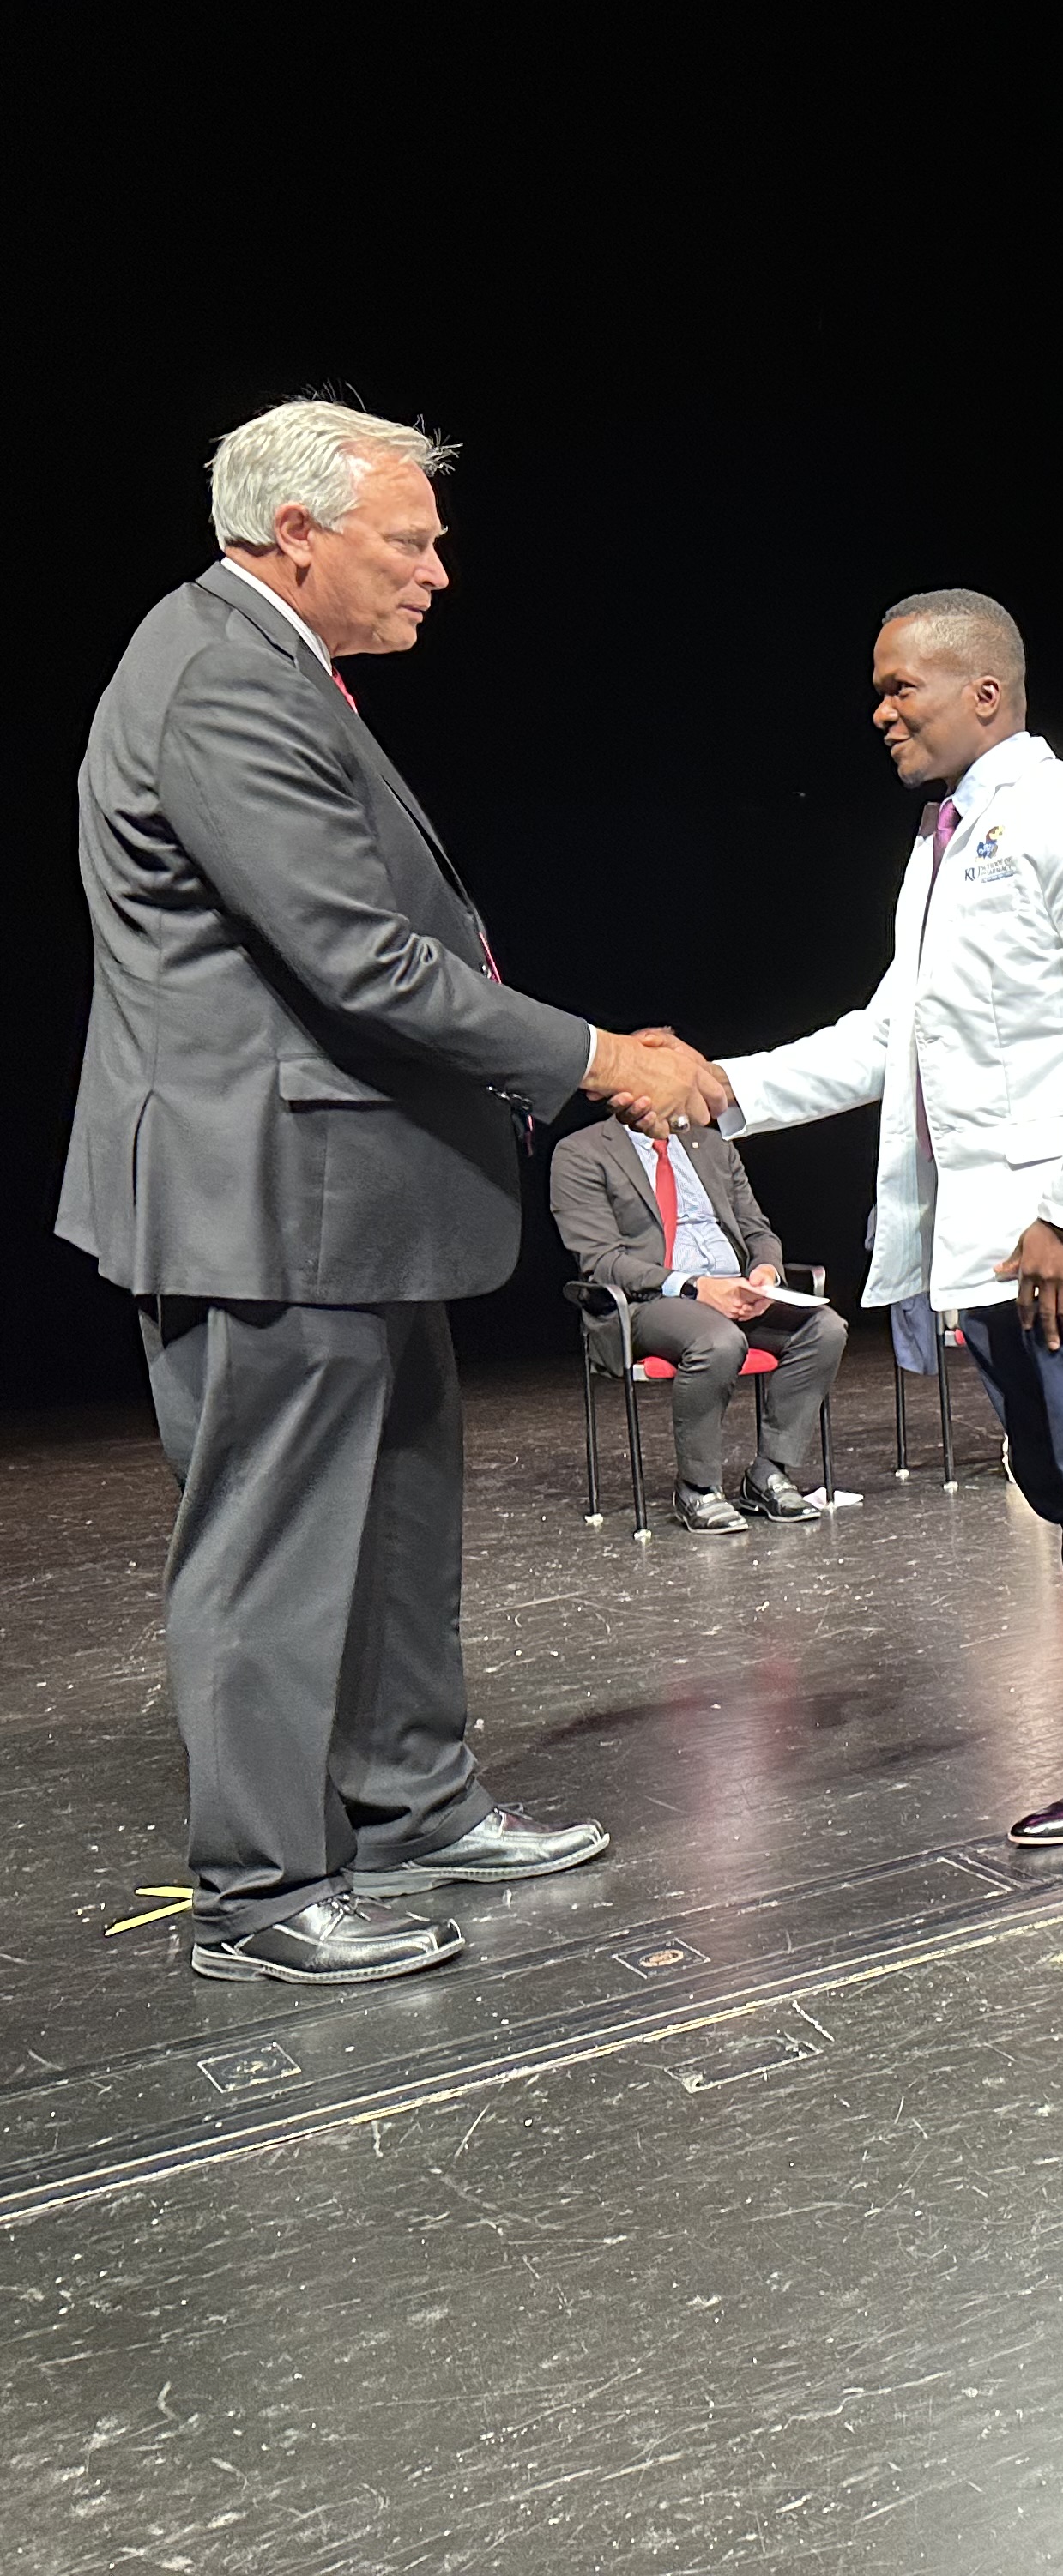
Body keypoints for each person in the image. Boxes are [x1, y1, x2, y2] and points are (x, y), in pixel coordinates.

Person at [58, 400, 709, 1986]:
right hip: (267, 1194)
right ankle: (263, 1892)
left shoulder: (270, 663)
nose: (435, 571)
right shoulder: (219, 671)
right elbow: (356, 953)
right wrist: (599, 1055)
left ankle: (411, 1803)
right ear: (298, 532)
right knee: (275, 1548)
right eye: (408, 540)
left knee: (402, 1520)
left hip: (350, 1196)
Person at [685, 591, 1063, 1879]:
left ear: (984, 691)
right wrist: (724, 1086)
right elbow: (893, 1038)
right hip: (995, 1244)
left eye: (903, 688)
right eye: (878, 692)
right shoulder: (943, 842)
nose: (881, 712)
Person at [549, 1104, 850, 1529]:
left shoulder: (711, 1146)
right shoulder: (582, 1152)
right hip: (650, 1300)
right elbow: (602, 1261)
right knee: (719, 1340)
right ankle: (698, 1488)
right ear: (624, 1092)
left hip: (735, 1288)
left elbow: (757, 1230)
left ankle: (769, 1473)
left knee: (824, 1329)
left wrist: (765, 1273)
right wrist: (695, 1286)